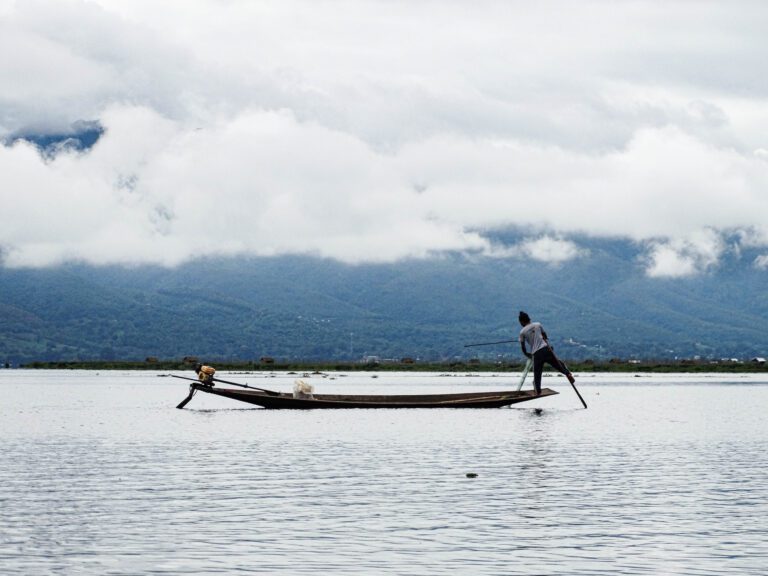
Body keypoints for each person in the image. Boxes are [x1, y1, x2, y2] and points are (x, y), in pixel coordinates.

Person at [518, 310, 575, 395]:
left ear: (522, 321)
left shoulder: (522, 332)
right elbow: (544, 335)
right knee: (558, 364)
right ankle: (567, 373)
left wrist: (527, 354)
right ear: (529, 319)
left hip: (537, 354)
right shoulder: (538, 324)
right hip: (546, 349)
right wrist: (544, 338)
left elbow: (523, 347)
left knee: (537, 374)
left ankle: (538, 390)